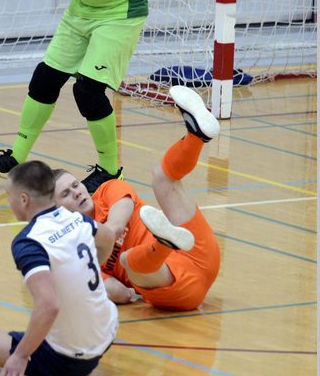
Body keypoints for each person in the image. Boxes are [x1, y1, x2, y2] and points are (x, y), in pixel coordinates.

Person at [0, 0, 149, 194]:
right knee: (45, 78)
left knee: (88, 90)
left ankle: (110, 171)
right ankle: (15, 159)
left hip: (120, 14)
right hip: (81, 10)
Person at [0, 160, 118, 376]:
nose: (8, 201)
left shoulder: (29, 242)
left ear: (23, 199)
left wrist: (21, 355)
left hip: (68, 360)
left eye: (9, 195)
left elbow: (49, 305)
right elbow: (108, 237)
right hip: (108, 332)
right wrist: (90, 269)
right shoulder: (75, 218)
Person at [53, 85, 221, 311]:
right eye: (66, 194)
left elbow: (117, 221)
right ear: (55, 210)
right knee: (128, 259)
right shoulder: (75, 250)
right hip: (175, 286)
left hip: (197, 250)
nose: (77, 192)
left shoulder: (107, 190)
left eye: (75, 184)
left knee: (161, 178)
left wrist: (96, 249)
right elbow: (118, 293)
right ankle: (163, 244)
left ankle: (196, 136)